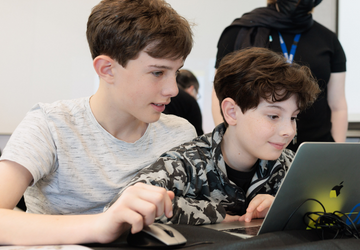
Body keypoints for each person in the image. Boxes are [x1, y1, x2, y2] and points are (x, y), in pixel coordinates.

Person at [0, 0, 197, 245]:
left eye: (176, 72)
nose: (173, 90)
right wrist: (102, 224)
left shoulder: (180, 135)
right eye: (158, 72)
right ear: (107, 69)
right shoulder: (49, 125)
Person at [105, 47, 321, 225]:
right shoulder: (187, 163)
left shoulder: (290, 165)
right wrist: (216, 214)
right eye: (274, 116)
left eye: (293, 118)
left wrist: (282, 205)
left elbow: (337, 208)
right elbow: (123, 207)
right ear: (232, 112)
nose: (289, 131)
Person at [212, 0, 347, 152]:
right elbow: (220, 95)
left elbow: (338, 106)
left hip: (317, 148)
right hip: (256, 150)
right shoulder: (239, 32)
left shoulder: (328, 39)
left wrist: (337, 151)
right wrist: (230, 147)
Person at [164, 69, 204, 135]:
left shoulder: (163, 96)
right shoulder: (191, 102)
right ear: (192, 89)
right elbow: (198, 137)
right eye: (197, 94)